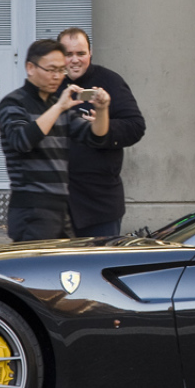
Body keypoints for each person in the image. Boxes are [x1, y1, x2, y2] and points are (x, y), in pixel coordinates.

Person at [0, 39, 111, 242]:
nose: (57, 77)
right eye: (51, 70)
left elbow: (96, 136)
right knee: (36, 270)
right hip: (31, 209)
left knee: (67, 267)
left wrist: (102, 110)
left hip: (60, 207)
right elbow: (21, 141)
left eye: (61, 70)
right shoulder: (14, 102)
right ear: (30, 68)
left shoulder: (57, 105)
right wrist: (59, 107)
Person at [57, 28, 146, 238]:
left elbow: (135, 126)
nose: (75, 60)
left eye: (81, 53)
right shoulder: (48, 85)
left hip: (99, 205)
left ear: (91, 52)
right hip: (54, 207)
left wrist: (104, 126)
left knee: (97, 267)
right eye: (68, 54)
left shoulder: (110, 81)